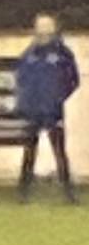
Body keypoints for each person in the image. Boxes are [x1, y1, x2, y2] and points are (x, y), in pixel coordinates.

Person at [16, 15, 80, 203]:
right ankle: (23, 191)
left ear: (54, 28)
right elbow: (21, 78)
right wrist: (26, 100)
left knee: (59, 150)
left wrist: (58, 97)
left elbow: (73, 79)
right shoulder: (29, 53)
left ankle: (68, 192)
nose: (43, 29)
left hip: (53, 109)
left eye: (47, 26)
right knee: (29, 150)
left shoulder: (63, 54)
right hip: (33, 110)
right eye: (40, 26)